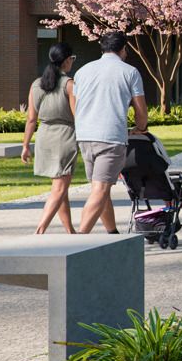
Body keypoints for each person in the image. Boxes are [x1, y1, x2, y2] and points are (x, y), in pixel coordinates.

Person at [71, 31, 147, 234]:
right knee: (101, 189)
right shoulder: (129, 72)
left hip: (85, 136)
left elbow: (76, 104)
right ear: (124, 49)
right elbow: (141, 110)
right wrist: (140, 128)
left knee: (99, 188)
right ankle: (79, 239)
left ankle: (112, 233)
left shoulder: (82, 71)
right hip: (110, 137)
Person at [22, 43, 78, 235]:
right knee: (60, 187)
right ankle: (40, 230)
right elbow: (76, 115)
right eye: (72, 59)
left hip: (44, 136)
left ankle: (70, 231)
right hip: (64, 136)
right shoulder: (69, 84)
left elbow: (31, 119)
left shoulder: (36, 84)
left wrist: (25, 145)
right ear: (67, 60)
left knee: (60, 187)